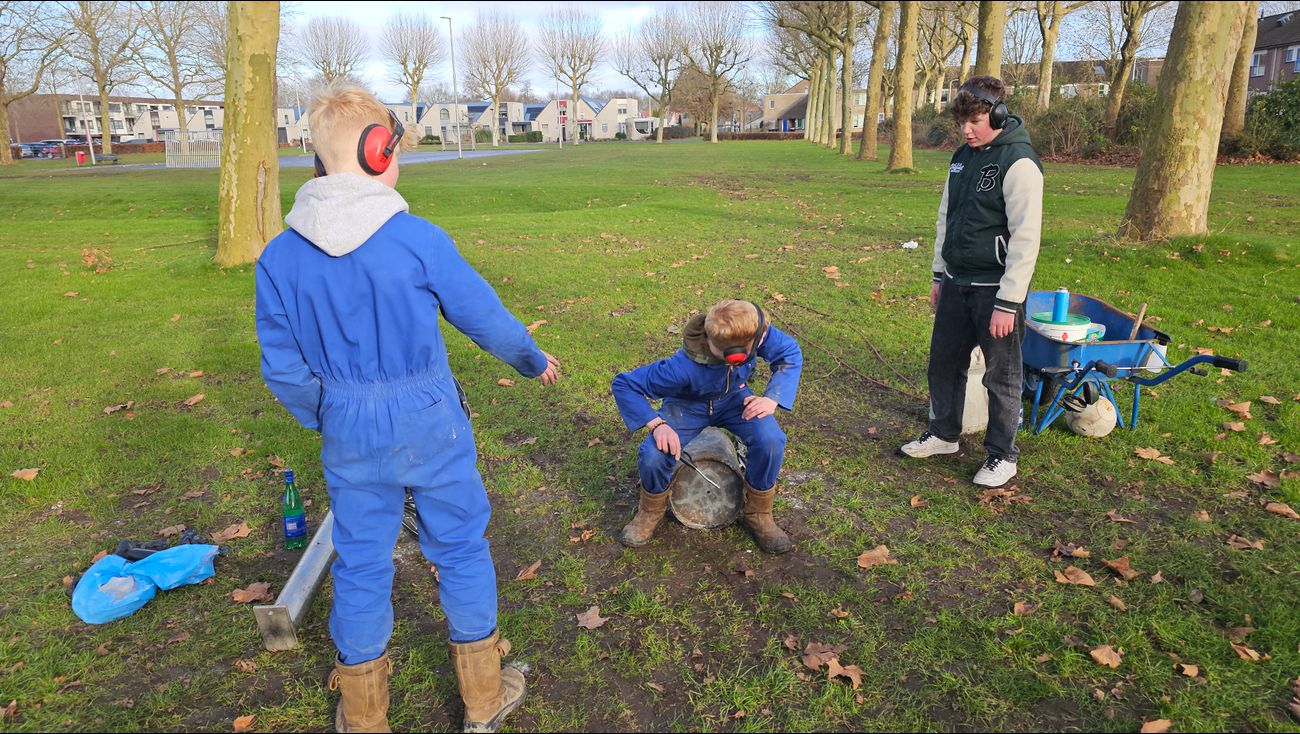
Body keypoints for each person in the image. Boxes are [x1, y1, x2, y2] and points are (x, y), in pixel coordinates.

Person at [255, 83, 559, 733]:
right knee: (460, 548)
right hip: (429, 420)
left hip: (347, 427)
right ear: (379, 152)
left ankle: (365, 716)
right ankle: (483, 700)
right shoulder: (418, 239)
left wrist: (327, 413)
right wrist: (532, 359)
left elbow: (282, 368)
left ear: (319, 161)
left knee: (361, 560)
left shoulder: (278, 257)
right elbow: (485, 319)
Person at [900, 75, 1043, 488]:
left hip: (995, 290)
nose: (966, 130)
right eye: (961, 122)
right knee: (944, 362)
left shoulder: (1020, 163)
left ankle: (1002, 455)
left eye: (975, 121)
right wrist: (938, 274)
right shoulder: (961, 157)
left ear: (997, 115)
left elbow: (1026, 239)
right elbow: (946, 217)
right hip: (955, 281)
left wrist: (1008, 302)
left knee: (1002, 374)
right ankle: (943, 434)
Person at [611, 299, 803, 553]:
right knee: (654, 455)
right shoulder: (680, 369)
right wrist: (657, 424)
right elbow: (624, 384)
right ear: (735, 356)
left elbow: (789, 352)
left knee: (770, 440)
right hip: (687, 406)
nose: (767, 338)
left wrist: (772, 398)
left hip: (735, 399)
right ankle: (650, 510)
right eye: (762, 338)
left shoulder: (752, 331)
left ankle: (759, 513)